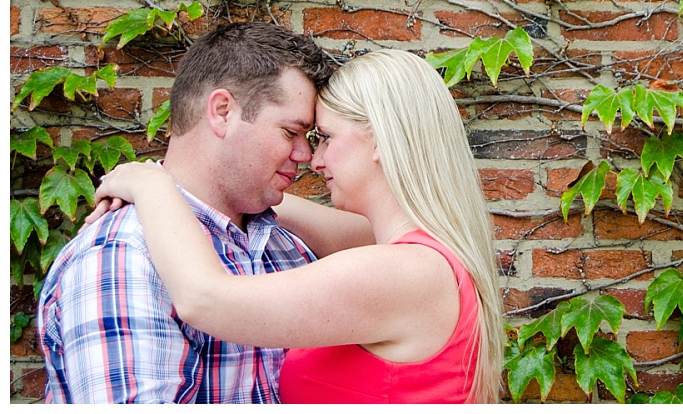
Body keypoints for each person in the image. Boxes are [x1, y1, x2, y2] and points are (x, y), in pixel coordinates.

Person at [91, 48, 504, 404]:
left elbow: (204, 300)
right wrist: (237, 188)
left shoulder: (403, 272)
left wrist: (154, 185)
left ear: (380, 139)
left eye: (325, 137)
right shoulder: (424, 255)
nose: (313, 159)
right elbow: (325, 225)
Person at [36, 21, 369, 403]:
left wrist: (155, 185)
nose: (306, 155)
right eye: (290, 132)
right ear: (222, 112)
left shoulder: (285, 245)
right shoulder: (124, 255)